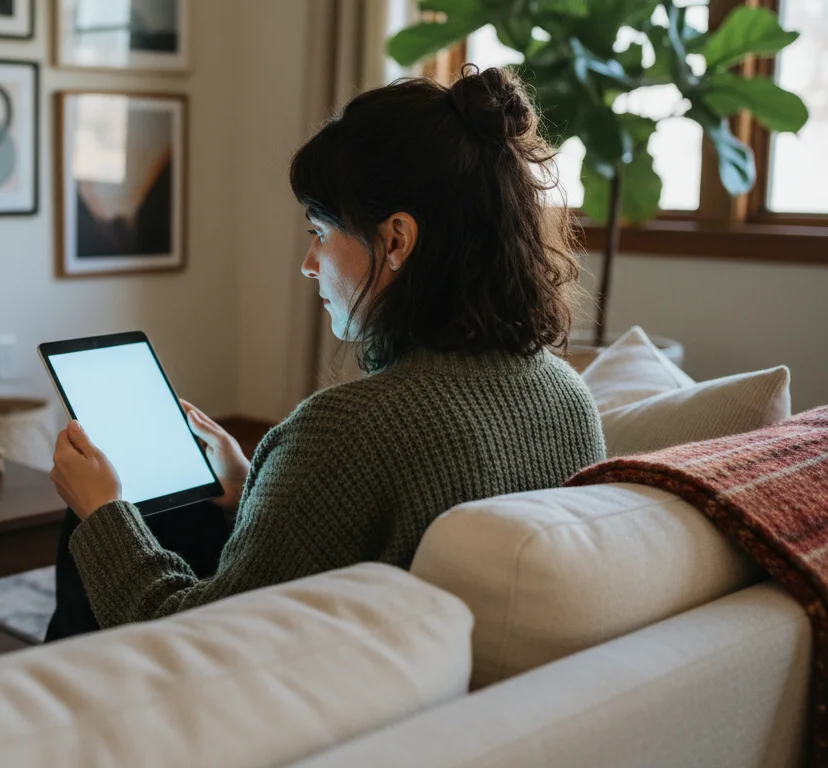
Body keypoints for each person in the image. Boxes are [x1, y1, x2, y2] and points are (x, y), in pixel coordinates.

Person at [44, 66, 606, 641]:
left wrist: (104, 514)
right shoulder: (566, 396)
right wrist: (251, 485)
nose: (309, 263)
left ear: (396, 240)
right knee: (186, 507)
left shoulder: (347, 431)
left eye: (318, 231)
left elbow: (191, 639)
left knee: (98, 518)